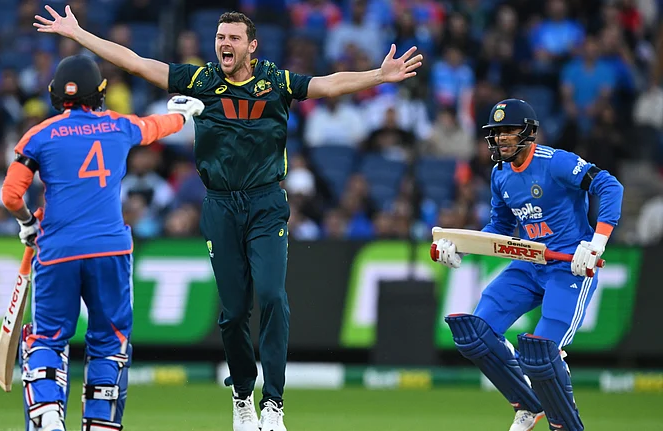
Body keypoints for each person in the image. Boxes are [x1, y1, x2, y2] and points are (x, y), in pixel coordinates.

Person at [34, 6, 423, 431]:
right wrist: (79, 34)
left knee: (273, 296)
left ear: (252, 47)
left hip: (266, 204)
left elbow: (327, 85)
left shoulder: (275, 80)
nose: (225, 43)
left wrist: (378, 76)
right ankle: (242, 398)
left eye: (234, 38)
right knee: (234, 312)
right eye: (221, 37)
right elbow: (137, 62)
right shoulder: (202, 81)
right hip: (220, 206)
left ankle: (273, 404)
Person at [0, 54, 204, 431]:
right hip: (110, 250)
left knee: (47, 339)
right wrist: (185, 114)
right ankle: (101, 423)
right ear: (101, 93)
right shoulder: (118, 126)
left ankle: (46, 417)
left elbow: (11, 194)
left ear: (55, 95)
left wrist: (28, 224)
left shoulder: (39, 134)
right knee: (110, 343)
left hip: (57, 250)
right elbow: (155, 127)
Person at [431, 99, 623, 431]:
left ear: (528, 132)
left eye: (509, 130)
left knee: (541, 355)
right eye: (496, 132)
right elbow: (500, 230)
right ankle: (529, 405)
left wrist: (596, 243)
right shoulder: (500, 174)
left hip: (570, 267)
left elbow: (609, 186)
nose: (502, 138)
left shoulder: (555, 162)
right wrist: (459, 247)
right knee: (474, 334)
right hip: (530, 265)